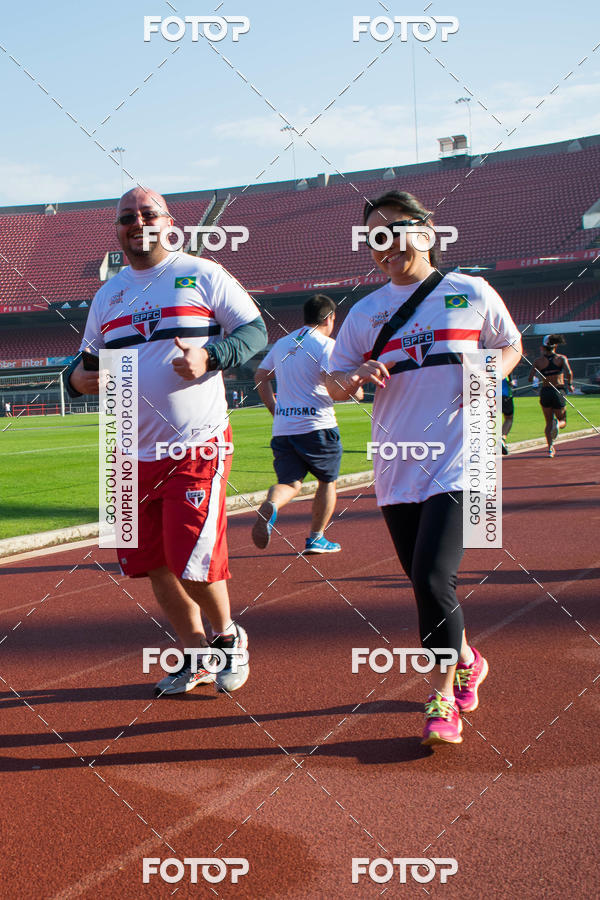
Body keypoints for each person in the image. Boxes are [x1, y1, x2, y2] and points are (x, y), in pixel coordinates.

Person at [326, 190, 522, 747]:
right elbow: (335, 386)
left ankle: (440, 700)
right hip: (395, 465)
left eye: (392, 230)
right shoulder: (366, 312)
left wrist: (487, 375)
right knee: (423, 584)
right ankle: (467, 659)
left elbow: (510, 345)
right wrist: (357, 374)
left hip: (463, 459)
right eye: (372, 237)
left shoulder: (470, 292)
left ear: (427, 231)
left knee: (437, 578)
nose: (382, 245)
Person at [65, 186, 267, 695]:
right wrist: (76, 381)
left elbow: (255, 331)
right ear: (117, 229)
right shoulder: (107, 295)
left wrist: (210, 357)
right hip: (127, 451)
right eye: (127, 217)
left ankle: (229, 640)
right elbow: (85, 363)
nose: (138, 222)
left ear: (168, 222)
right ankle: (196, 656)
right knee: (153, 566)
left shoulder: (201, 273)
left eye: (148, 213)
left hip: (194, 444)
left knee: (193, 561)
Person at [252, 294, 362, 554]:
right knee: (327, 481)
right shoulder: (326, 345)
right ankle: (316, 537)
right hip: (318, 426)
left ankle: (273, 504)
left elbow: (260, 375)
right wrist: (355, 390)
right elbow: (332, 381)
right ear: (330, 318)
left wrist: (273, 408)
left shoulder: (281, 344)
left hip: (284, 428)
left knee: (290, 483)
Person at [528, 334, 574, 457]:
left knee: (548, 422)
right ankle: (557, 425)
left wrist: (537, 381)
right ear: (555, 346)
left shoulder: (538, 361)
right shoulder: (561, 358)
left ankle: (550, 448)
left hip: (545, 392)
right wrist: (569, 384)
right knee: (562, 420)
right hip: (558, 390)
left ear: (543, 347)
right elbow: (569, 372)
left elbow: (530, 378)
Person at [501, 376, 516, 455]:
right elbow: (511, 382)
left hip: (489, 395)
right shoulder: (505, 365)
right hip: (505, 395)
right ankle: (502, 438)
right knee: (509, 419)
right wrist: (512, 383)